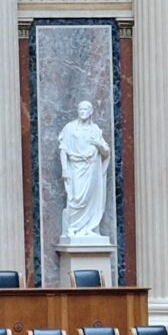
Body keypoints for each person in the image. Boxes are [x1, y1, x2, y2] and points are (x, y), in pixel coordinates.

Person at [56, 99, 112, 241]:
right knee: (76, 197)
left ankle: (89, 228)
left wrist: (98, 144)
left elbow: (106, 152)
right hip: (75, 167)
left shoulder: (95, 130)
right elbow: (63, 149)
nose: (82, 112)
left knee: (90, 198)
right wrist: (64, 169)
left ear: (91, 112)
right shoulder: (70, 128)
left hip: (92, 169)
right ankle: (73, 227)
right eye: (80, 109)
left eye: (85, 109)